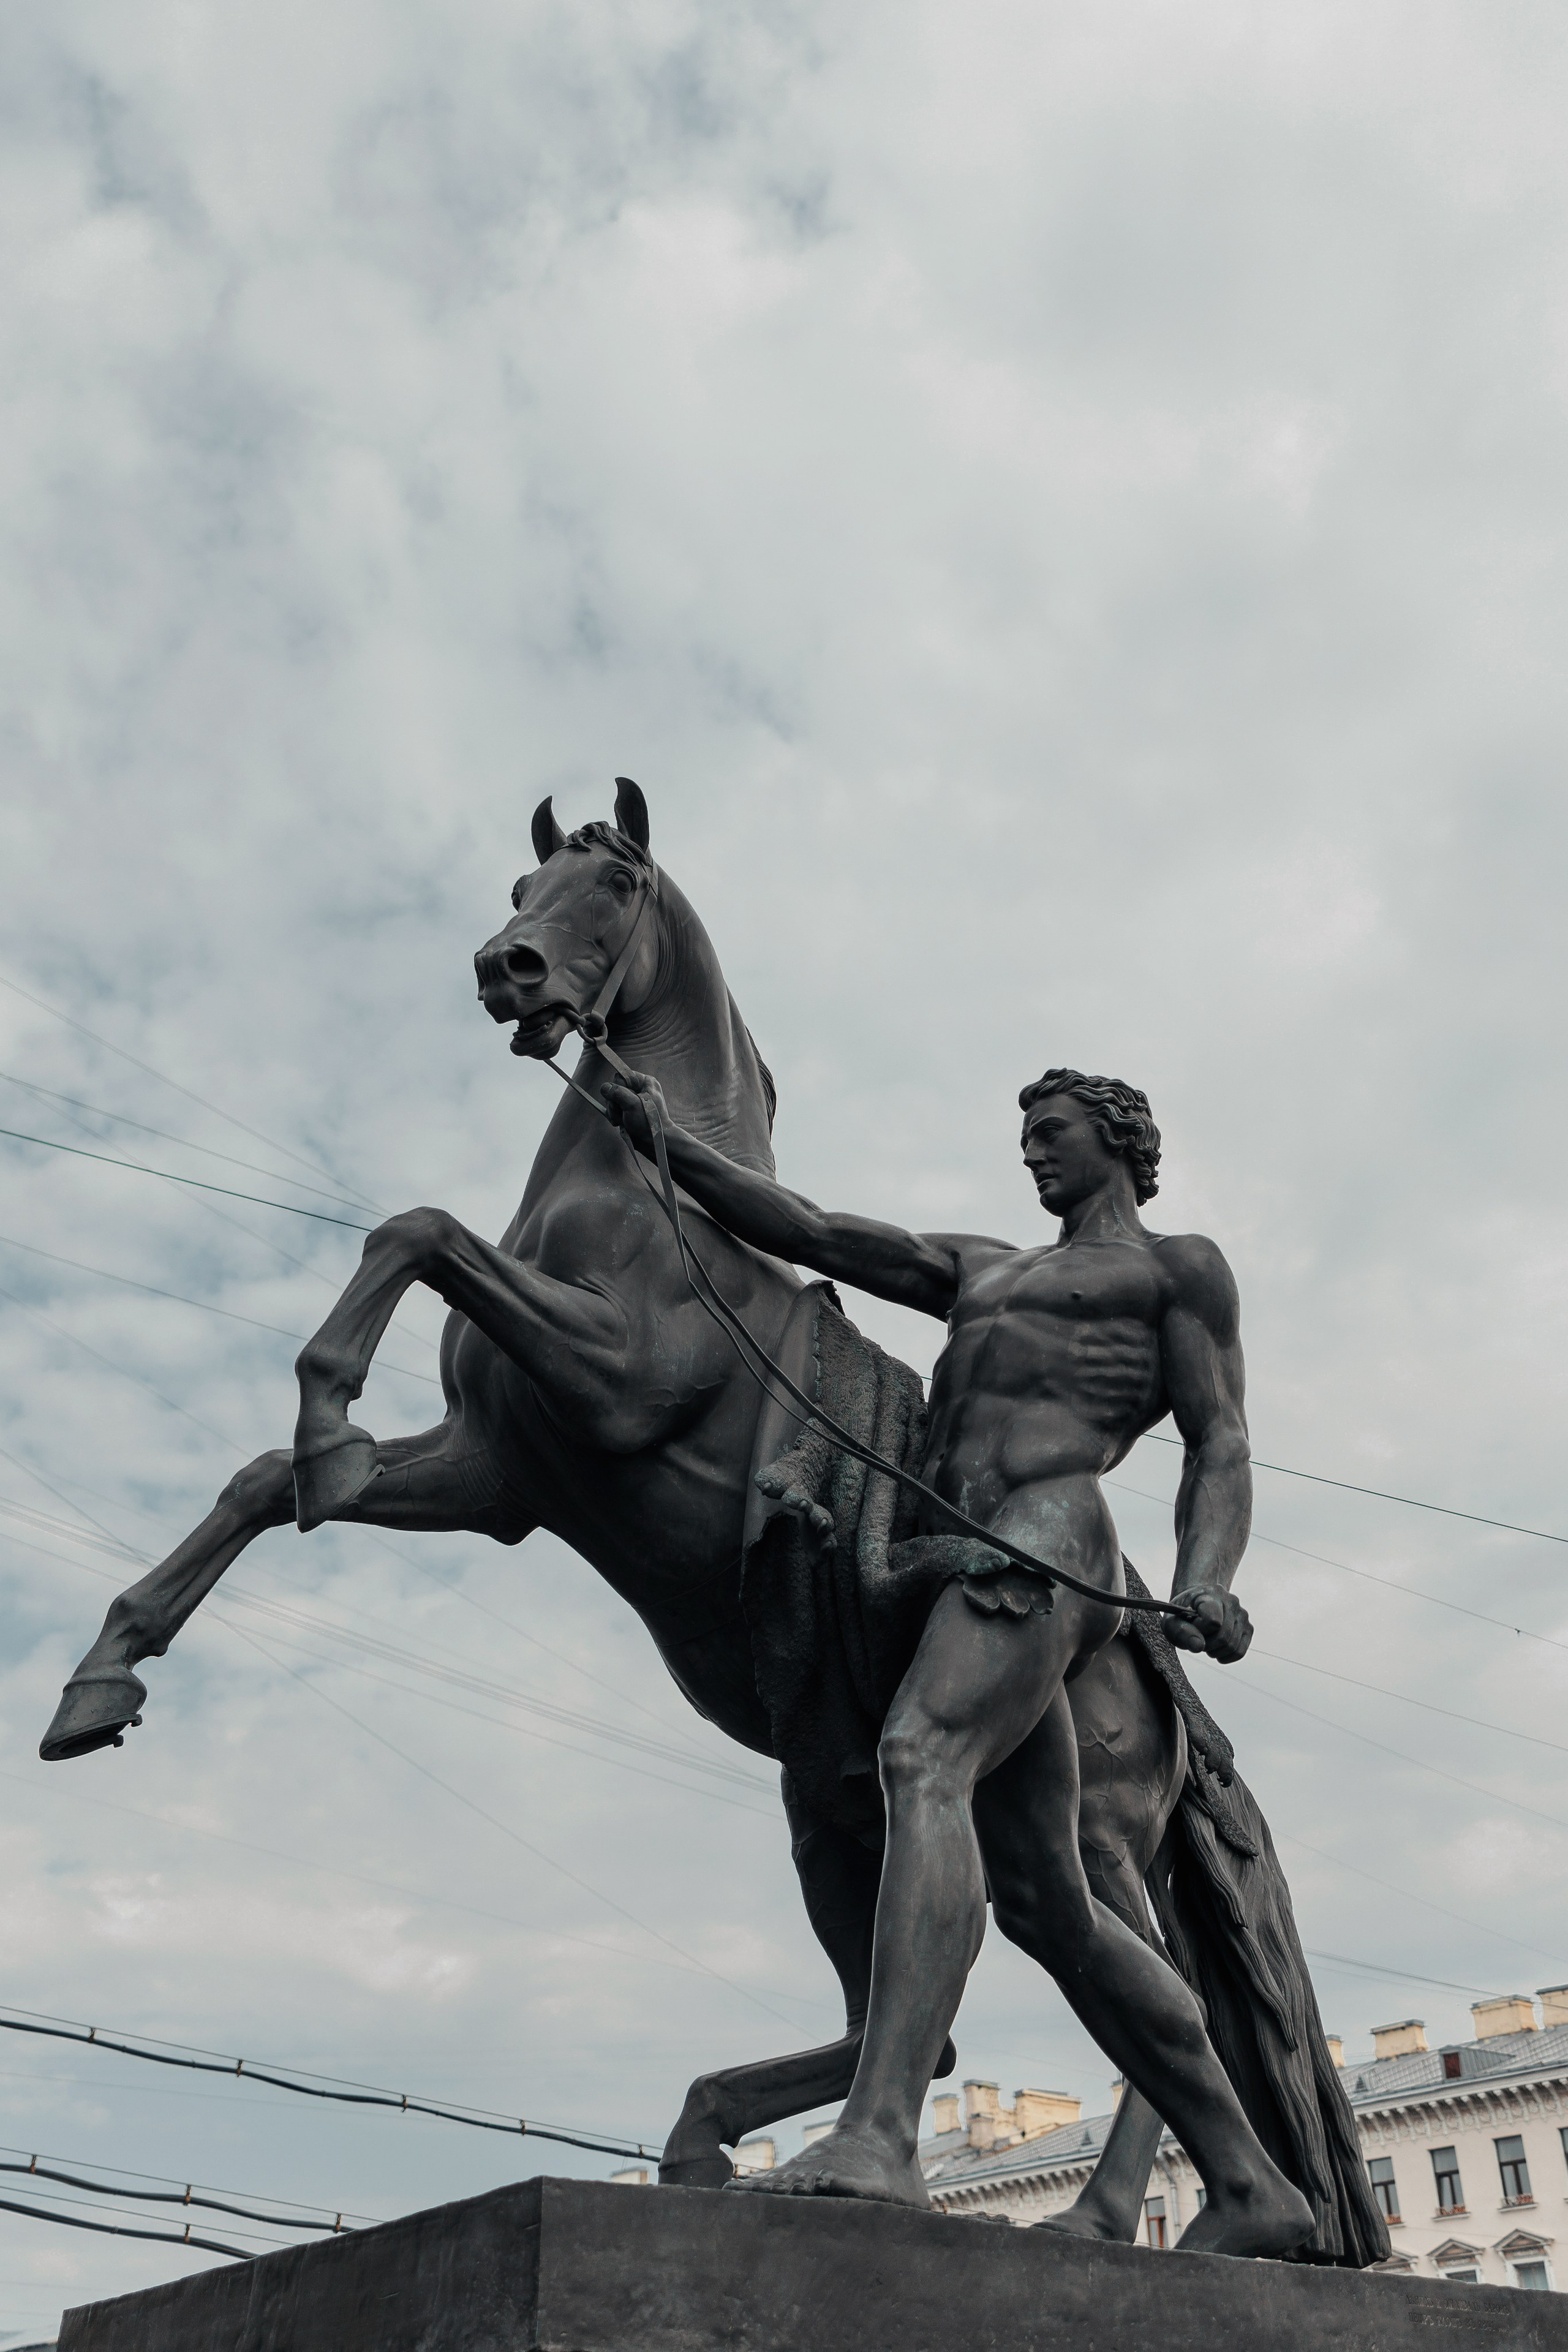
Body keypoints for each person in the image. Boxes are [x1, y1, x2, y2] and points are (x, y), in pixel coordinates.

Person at [603, 1062, 1312, 2258]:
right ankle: (1253, 2188)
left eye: (1051, 1131)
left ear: (1117, 1141)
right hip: (956, 1550)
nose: (1030, 1150)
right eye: (1022, 1133)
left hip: (1048, 1531)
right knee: (1049, 1903)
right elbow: (814, 1229)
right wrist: (664, 1138)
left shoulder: (1171, 1267)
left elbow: (1220, 1440)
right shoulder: (981, 1266)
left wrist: (1208, 1577)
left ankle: (879, 2135)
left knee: (919, 1757)